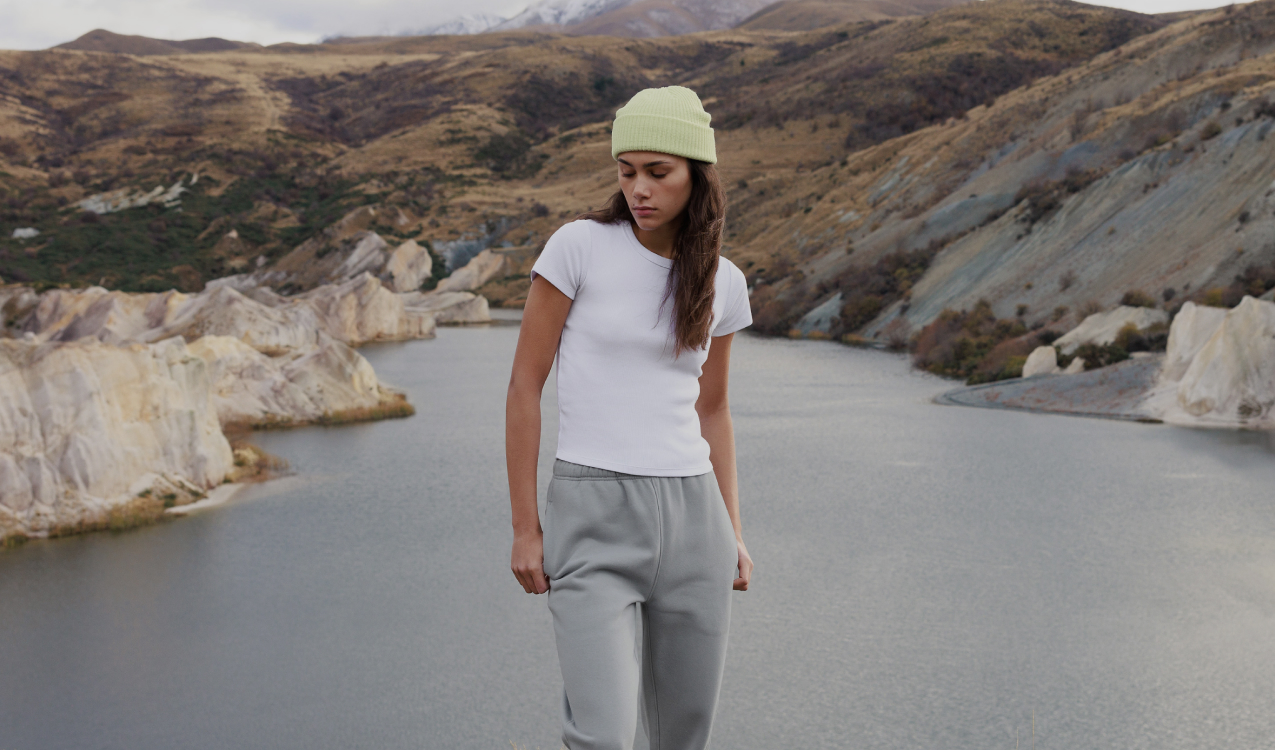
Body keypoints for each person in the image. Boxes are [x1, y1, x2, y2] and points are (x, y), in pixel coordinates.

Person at [505, 85, 753, 750]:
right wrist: (526, 529)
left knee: (684, 737)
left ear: (696, 175)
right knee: (602, 737)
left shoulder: (724, 281)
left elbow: (713, 409)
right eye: (626, 171)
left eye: (657, 172)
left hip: (696, 522)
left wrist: (732, 531)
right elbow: (524, 388)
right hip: (592, 518)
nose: (639, 188)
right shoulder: (578, 247)